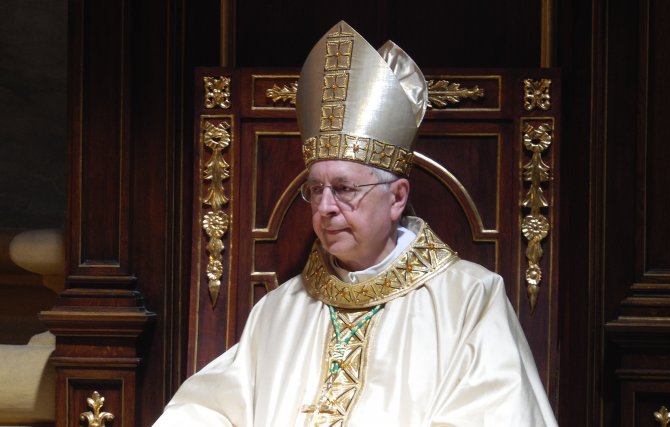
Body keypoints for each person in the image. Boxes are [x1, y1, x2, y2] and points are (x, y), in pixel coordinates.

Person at [153, 20, 557, 427]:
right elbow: (209, 409)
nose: (326, 207)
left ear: (397, 197)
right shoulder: (277, 311)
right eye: (316, 189)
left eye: (345, 189)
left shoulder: (469, 299)